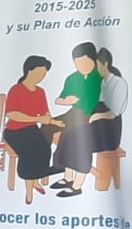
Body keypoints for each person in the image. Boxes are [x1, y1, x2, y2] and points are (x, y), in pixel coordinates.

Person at [51, 47, 128, 196]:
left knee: (82, 140)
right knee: (70, 134)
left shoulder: (118, 83)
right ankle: (68, 177)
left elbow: (115, 112)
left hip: (109, 129)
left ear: (104, 64)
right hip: (96, 122)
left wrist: (97, 117)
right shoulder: (103, 82)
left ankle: (77, 185)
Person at [2, 55, 61, 205]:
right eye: (39, 73)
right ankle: (29, 191)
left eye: (44, 74)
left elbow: (45, 113)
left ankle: (34, 180)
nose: (41, 76)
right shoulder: (16, 90)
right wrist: (36, 119)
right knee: (30, 153)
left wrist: (54, 121)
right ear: (29, 70)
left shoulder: (40, 92)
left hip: (31, 129)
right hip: (14, 131)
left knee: (44, 149)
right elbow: (11, 114)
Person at [49, 42, 101, 198]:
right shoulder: (72, 78)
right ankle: (64, 173)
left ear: (93, 59)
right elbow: (59, 99)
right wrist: (66, 101)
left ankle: (75, 183)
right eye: (77, 64)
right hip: (74, 113)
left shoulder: (100, 78)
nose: (81, 67)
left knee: (74, 137)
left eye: (85, 63)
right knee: (47, 126)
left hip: (93, 117)